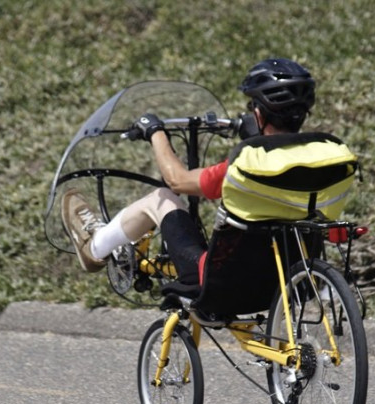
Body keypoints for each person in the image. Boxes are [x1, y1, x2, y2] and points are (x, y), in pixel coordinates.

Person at [61, 58, 356, 286]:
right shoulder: (330, 158)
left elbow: (177, 180)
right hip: (290, 279)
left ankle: (96, 247)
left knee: (161, 198)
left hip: (225, 283)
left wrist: (155, 132)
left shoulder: (246, 165)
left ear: (258, 113)